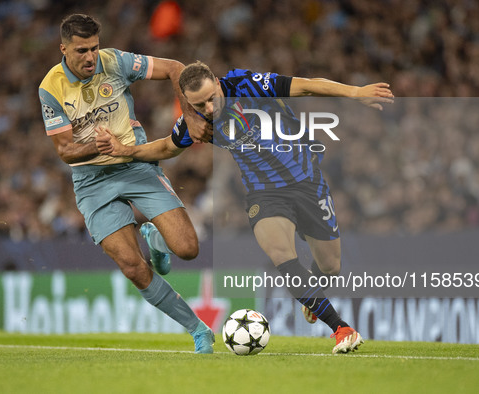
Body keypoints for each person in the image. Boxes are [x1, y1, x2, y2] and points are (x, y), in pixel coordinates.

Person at [95, 61, 394, 354]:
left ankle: (313, 294)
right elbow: (166, 147)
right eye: (199, 105)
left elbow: (305, 86)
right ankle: (341, 328)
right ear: (188, 103)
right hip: (264, 194)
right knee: (282, 255)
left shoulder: (245, 85)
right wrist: (126, 151)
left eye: (212, 99)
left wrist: (356, 93)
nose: (209, 109)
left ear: (217, 82)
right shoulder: (197, 122)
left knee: (330, 266)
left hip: (308, 184)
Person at [38, 15, 214, 353]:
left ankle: (156, 239)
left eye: (93, 48)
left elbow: (176, 67)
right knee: (133, 267)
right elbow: (64, 150)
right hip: (91, 182)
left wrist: (190, 115)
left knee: (189, 249)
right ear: (63, 49)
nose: (90, 57)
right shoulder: (51, 88)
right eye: (81, 51)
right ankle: (198, 329)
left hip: (135, 165)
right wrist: (96, 146)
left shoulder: (115, 62)